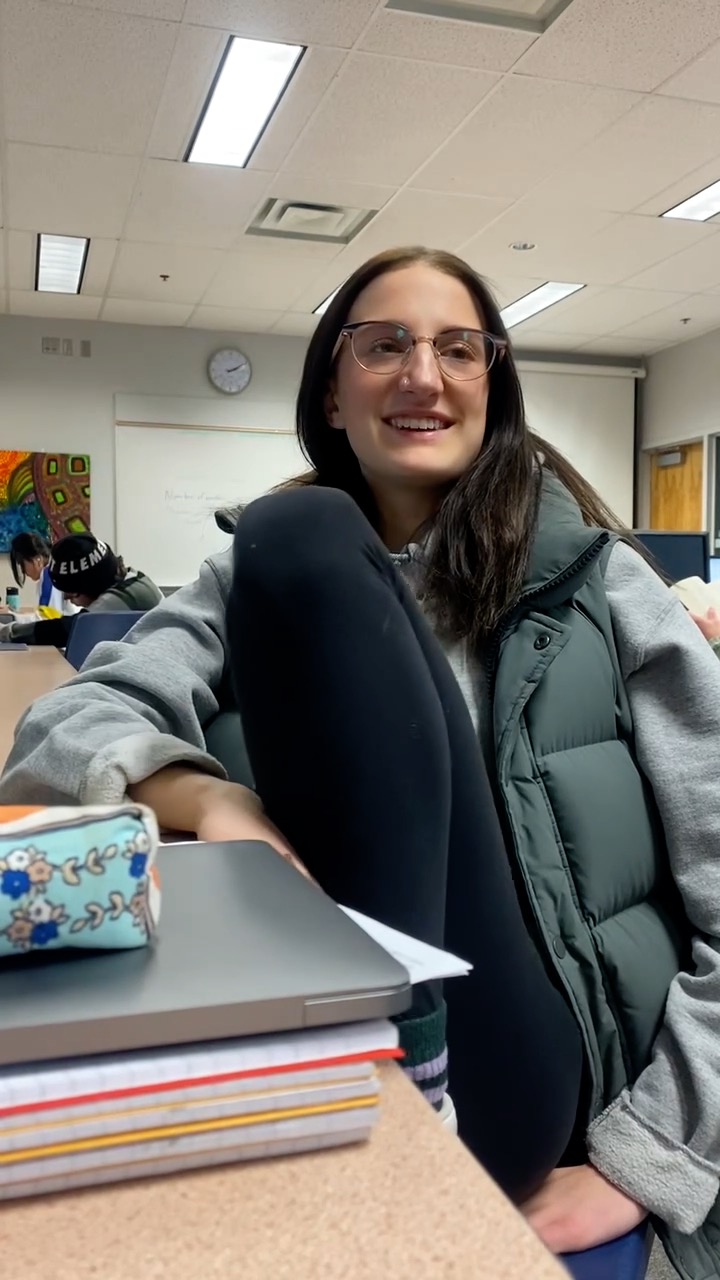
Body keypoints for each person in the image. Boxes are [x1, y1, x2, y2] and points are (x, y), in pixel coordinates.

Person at [1, 247, 719, 1278]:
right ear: (332, 393)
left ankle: (409, 1094)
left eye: (456, 348)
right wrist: (208, 796)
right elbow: (59, 733)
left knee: (292, 530)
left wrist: (647, 1159)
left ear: (492, 386)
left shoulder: (601, 585)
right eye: (383, 345)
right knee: (292, 535)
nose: (421, 375)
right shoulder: (262, 574)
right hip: (301, 1036)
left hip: (513, 1066)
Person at [0, 532, 162, 645]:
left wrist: (7, 632)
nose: (66, 598)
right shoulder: (133, 580)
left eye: (72, 592)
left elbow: (72, 629)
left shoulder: (123, 596)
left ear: (91, 584)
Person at [8, 531, 74, 615]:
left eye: (22, 564)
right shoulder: (56, 571)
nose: (23, 571)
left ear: (37, 559)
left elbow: (47, 618)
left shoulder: (49, 575)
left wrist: (12, 617)